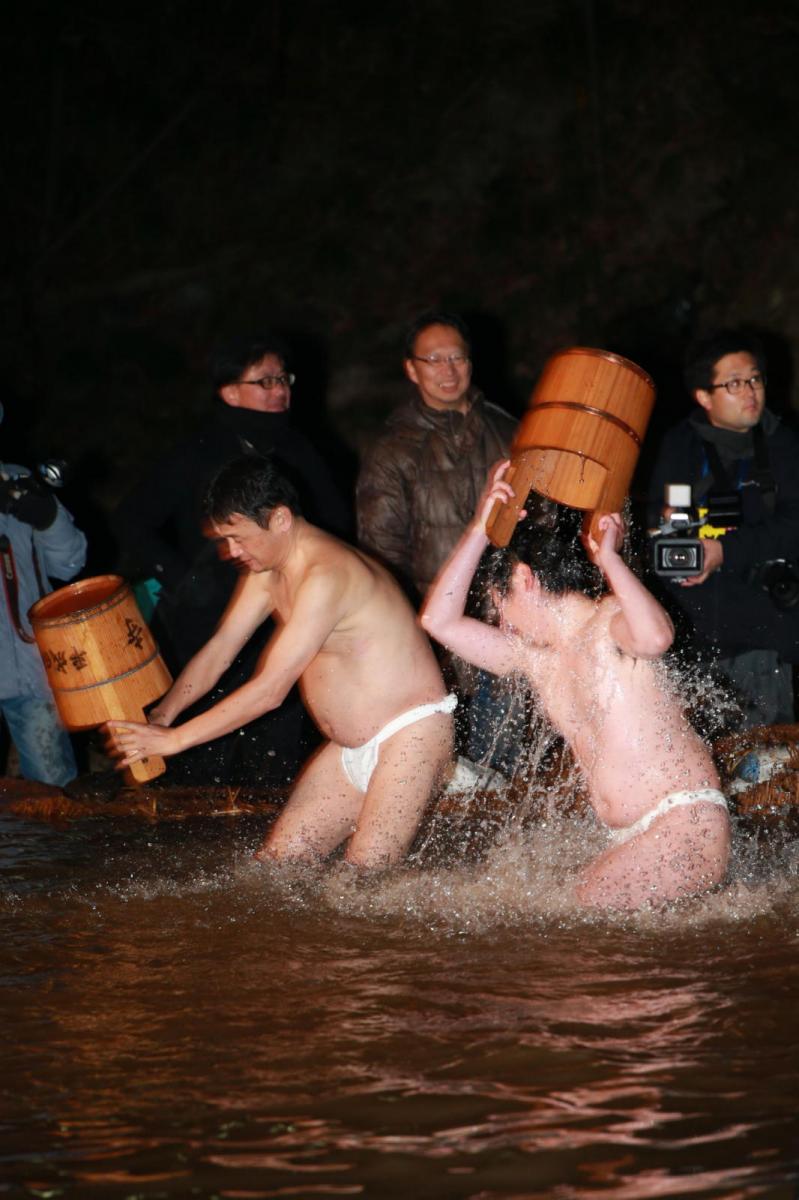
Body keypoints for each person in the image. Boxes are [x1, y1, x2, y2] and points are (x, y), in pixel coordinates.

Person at [106, 455, 455, 867]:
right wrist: (163, 716)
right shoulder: (266, 572)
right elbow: (220, 650)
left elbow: (271, 690)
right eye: (224, 539)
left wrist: (177, 740)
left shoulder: (328, 574)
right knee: (274, 868)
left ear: (280, 519)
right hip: (350, 746)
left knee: (364, 879)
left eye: (239, 537)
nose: (231, 552)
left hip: (410, 735)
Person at [421, 461, 731, 909]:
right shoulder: (537, 660)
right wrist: (480, 527)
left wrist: (609, 560)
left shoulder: (609, 621)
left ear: (524, 580)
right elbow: (438, 620)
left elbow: (657, 637)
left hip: (685, 820)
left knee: (574, 923)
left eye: (499, 608)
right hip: (636, 834)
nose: (503, 626)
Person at [112, 333, 351, 785]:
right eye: (265, 381)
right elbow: (131, 520)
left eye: (284, 378)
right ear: (229, 391)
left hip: (283, 614)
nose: (280, 389)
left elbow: (338, 521)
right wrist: (182, 578)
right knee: (207, 755)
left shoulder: (299, 449)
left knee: (278, 746)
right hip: (206, 619)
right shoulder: (196, 452)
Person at [356, 311, 527, 770]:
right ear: (411, 368)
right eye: (434, 360)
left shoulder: (509, 430)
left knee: (505, 762)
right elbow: (380, 552)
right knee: (447, 768)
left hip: (505, 624)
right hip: (433, 630)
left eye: (457, 358)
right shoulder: (392, 449)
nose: (448, 370)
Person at [648, 330, 799, 728]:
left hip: (765, 633)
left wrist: (724, 551)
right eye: (733, 383)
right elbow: (662, 529)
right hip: (695, 632)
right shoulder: (680, 447)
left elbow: (794, 526)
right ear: (704, 396)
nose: (750, 392)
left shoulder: (783, 445)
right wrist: (670, 529)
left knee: (767, 765)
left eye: (754, 379)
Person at [1, 403, 87, 786]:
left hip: (26, 671)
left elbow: (70, 563)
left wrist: (47, 518)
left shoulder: (19, 481)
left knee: (54, 797)